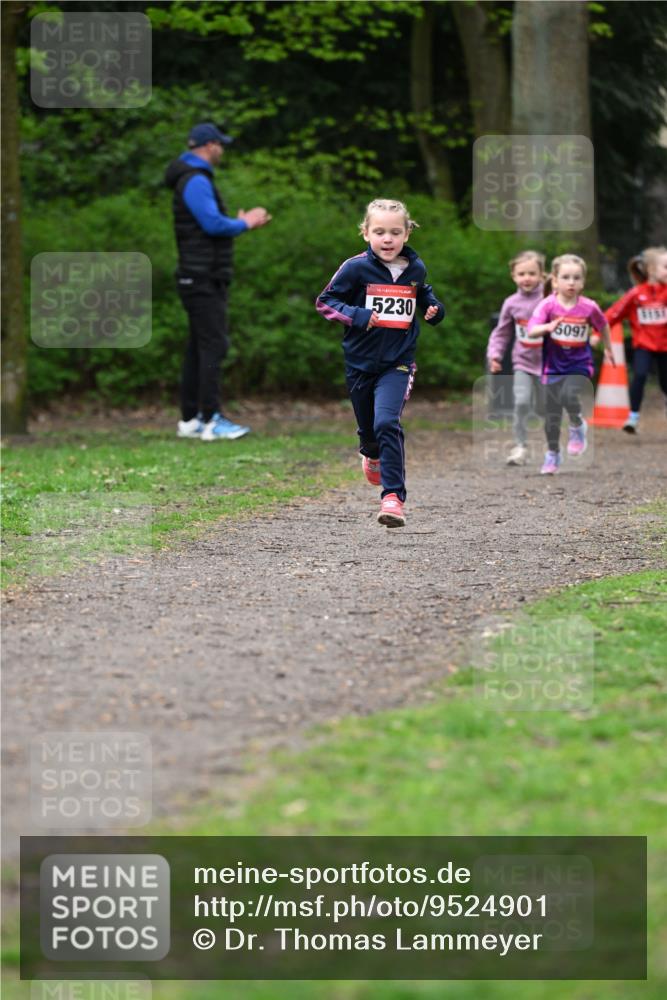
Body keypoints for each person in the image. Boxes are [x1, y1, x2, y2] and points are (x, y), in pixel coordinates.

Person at [315, 198, 445, 527]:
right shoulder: (355, 268)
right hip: (360, 363)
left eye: (395, 232)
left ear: (406, 234)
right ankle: (370, 453)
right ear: (366, 234)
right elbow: (325, 302)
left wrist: (434, 309)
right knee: (370, 432)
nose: (387, 239)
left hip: (398, 363)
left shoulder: (415, 268)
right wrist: (358, 315)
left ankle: (393, 498)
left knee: (387, 422)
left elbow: (424, 294)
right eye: (379, 232)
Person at [165, 122, 271, 441]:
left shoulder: (191, 177)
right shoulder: (195, 179)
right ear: (210, 146)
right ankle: (211, 419)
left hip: (197, 275)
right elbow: (212, 224)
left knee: (198, 346)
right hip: (202, 277)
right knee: (214, 344)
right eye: (221, 145)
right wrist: (244, 222)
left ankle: (190, 419)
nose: (222, 151)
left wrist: (236, 223)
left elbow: (210, 223)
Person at [526, 254, 614, 475]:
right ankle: (553, 453)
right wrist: (546, 328)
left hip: (579, 364)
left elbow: (603, 325)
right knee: (552, 415)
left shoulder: (588, 307)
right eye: (566, 277)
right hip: (553, 366)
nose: (571, 282)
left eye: (576, 278)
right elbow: (531, 329)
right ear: (555, 281)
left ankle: (576, 425)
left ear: (583, 282)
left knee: (568, 393)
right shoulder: (548, 305)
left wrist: (609, 349)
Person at [486, 251, 546, 465]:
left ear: (541, 274)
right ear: (513, 276)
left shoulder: (549, 299)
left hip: (549, 364)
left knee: (544, 408)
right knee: (520, 402)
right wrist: (495, 355)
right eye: (521, 273)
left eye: (532, 273)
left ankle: (553, 448)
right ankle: (520, 447)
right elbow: (502, 332)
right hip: (523, 362)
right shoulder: (511, 303)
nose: (527, 278)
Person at [600, 246, 667, 434]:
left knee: (665, 383)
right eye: (666, 267)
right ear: (651, 270)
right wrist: (597, 333)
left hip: (665, 346)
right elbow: (614, 313)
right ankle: (633, 417)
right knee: (640, 375)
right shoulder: (636, 294)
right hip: (644, 345)